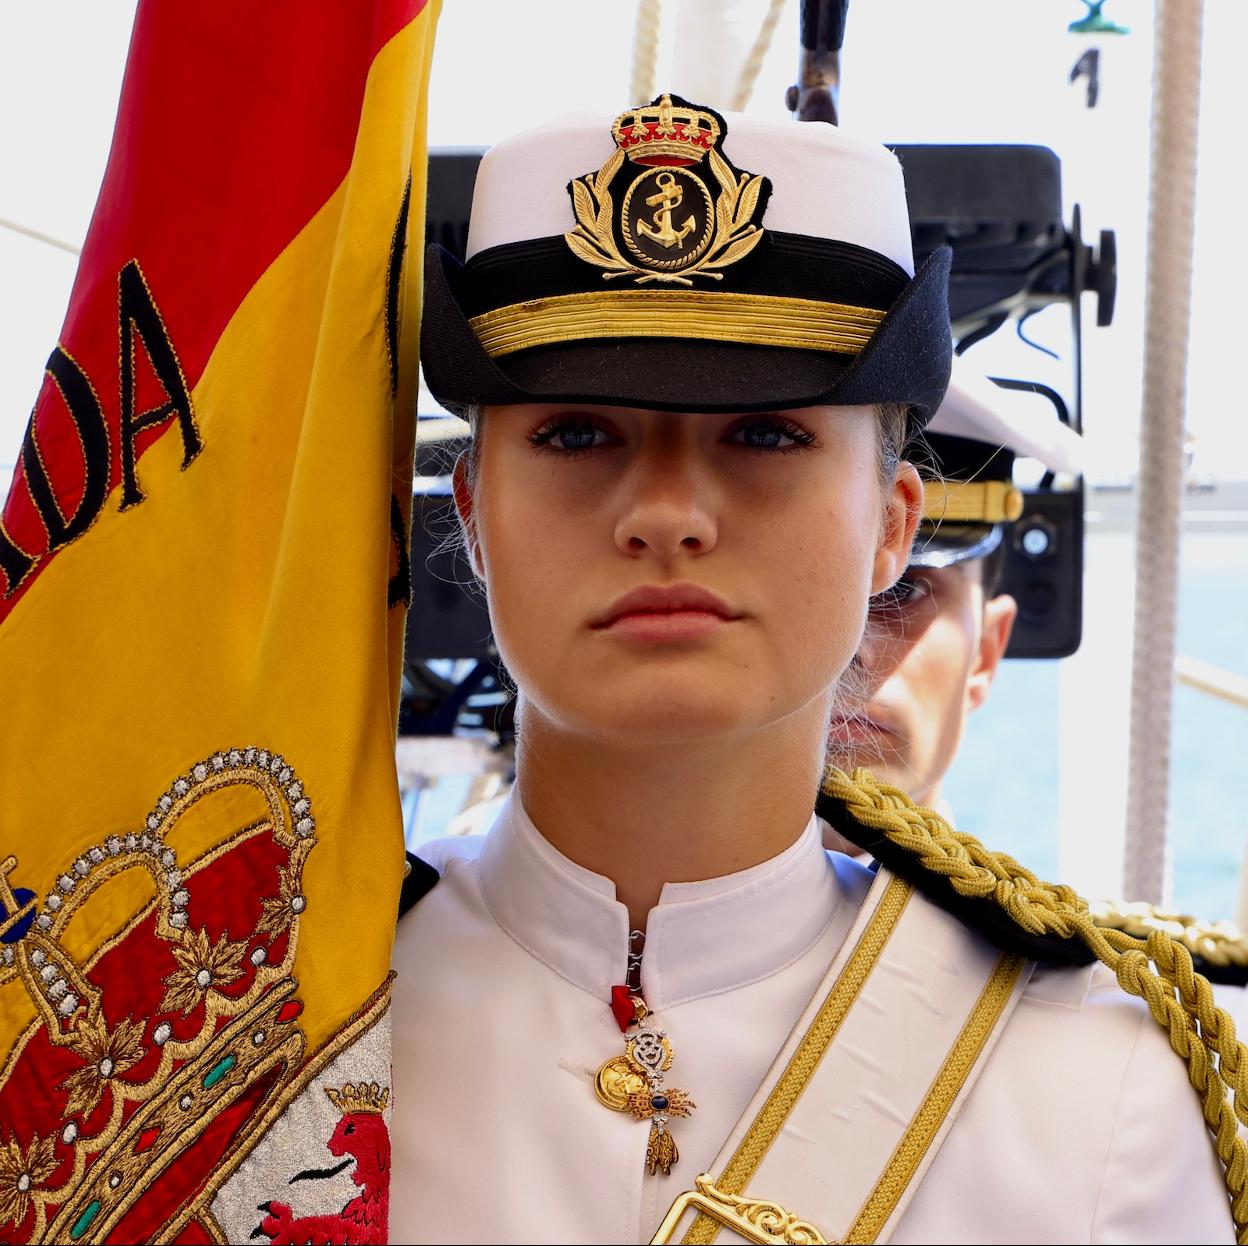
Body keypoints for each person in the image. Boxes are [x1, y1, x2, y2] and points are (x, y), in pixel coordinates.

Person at [387, 96, 1242, 1244]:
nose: (668, 513)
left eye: (769, 435)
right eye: (578, 433)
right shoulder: (277, 1020)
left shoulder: (1099, 1097)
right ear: (475, 512)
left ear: (894, 528)